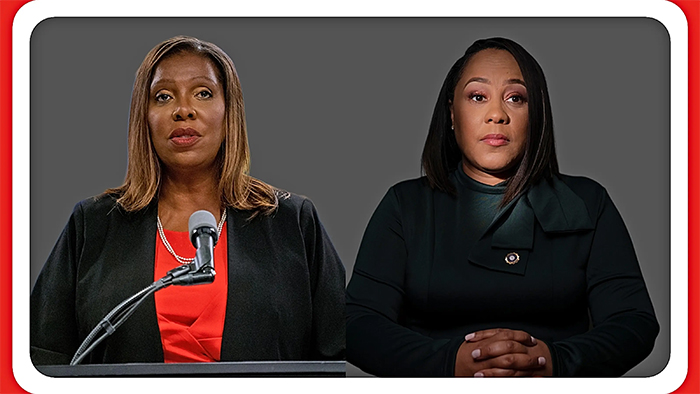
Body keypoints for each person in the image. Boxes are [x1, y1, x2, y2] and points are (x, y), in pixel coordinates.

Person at [345, 37, 659, 377]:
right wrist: (451, 362)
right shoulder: (405, 205)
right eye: (478, 97)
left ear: (536, 114)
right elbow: (356, 324)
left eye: (515, 98)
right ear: (452, 113)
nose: (497, 115)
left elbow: (634, 323)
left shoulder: (588, 201)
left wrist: (554, 361)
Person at [31, 36, 345, 365]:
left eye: (203, 93)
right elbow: (43, 356)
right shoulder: (92, 224)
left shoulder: (291, 221)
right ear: (145, 117)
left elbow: (341, 356)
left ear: (229, 111)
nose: (183, 110)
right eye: (163, 96)